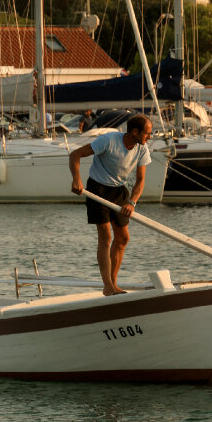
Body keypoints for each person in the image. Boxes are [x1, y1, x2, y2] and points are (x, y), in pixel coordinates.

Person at [69, 115, 152, 295]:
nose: (149, 137)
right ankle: (107, 286)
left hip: (120, 192)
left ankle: (113, 284)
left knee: (123, 238)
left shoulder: (142, 149)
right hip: (97, 188)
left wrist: (132, 203)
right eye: (147, 133)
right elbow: (75, 154)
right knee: (106, 236)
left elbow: (140, 180)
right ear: (135, 132)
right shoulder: (108, 141)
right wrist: (76, 179)